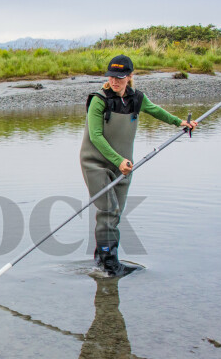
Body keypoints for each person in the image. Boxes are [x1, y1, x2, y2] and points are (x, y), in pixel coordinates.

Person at [80, 55, 197, 275]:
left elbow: (157, 111)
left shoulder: (137, 99)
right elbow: (95, 136)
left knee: (116, 213)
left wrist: (181, 122)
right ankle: (110, 266)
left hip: (124, 165)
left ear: (131, 77)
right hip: (95, 163)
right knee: (108, 210)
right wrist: (118, 161)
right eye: (112, 77)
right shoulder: (99, 100)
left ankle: (102, 261)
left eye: (120, 77)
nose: (115, 82)